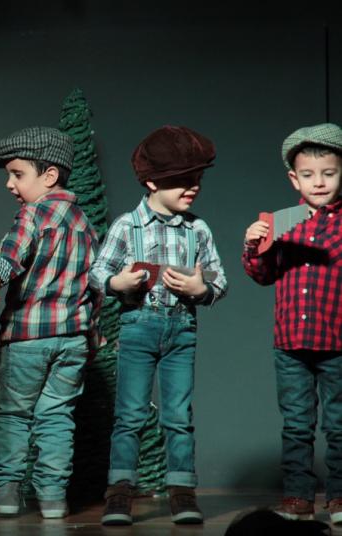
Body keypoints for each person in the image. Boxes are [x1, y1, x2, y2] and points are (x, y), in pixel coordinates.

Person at [91, 125, 227, 525]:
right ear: (152, 182)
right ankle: (120, 492)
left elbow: (219, 280)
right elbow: (98, 272)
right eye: (182, 180)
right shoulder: (127, 226)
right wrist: (118, 283)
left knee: (179, 415)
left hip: (181, 329)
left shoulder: (197, 230)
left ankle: (182, 491)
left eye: (197, 178)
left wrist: (201, 289)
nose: (193, 187)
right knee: (130, 414)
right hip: (138, 327)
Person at [0, 126, 99, 520]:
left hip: (28, 336)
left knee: (14, 414)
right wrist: (92, 332)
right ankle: (53, 498)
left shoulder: (33, 214)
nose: (10, 184)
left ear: (49, 176)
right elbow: (96, 284)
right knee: (57, 416)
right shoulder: (85, 224)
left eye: (17, 174)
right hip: (73, 338)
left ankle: (7, 493)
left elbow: (12, 250)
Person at [242, 123, 342, 524]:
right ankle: (298, 497)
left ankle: (339, 497)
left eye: (329, 173)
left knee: (339, 424)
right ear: (293, 178)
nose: (318, 182)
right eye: (308, 174)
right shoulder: (283, 221)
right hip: (290, 342)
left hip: (336, 340)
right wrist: (254, 245)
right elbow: (263, 274)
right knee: (297, 424)